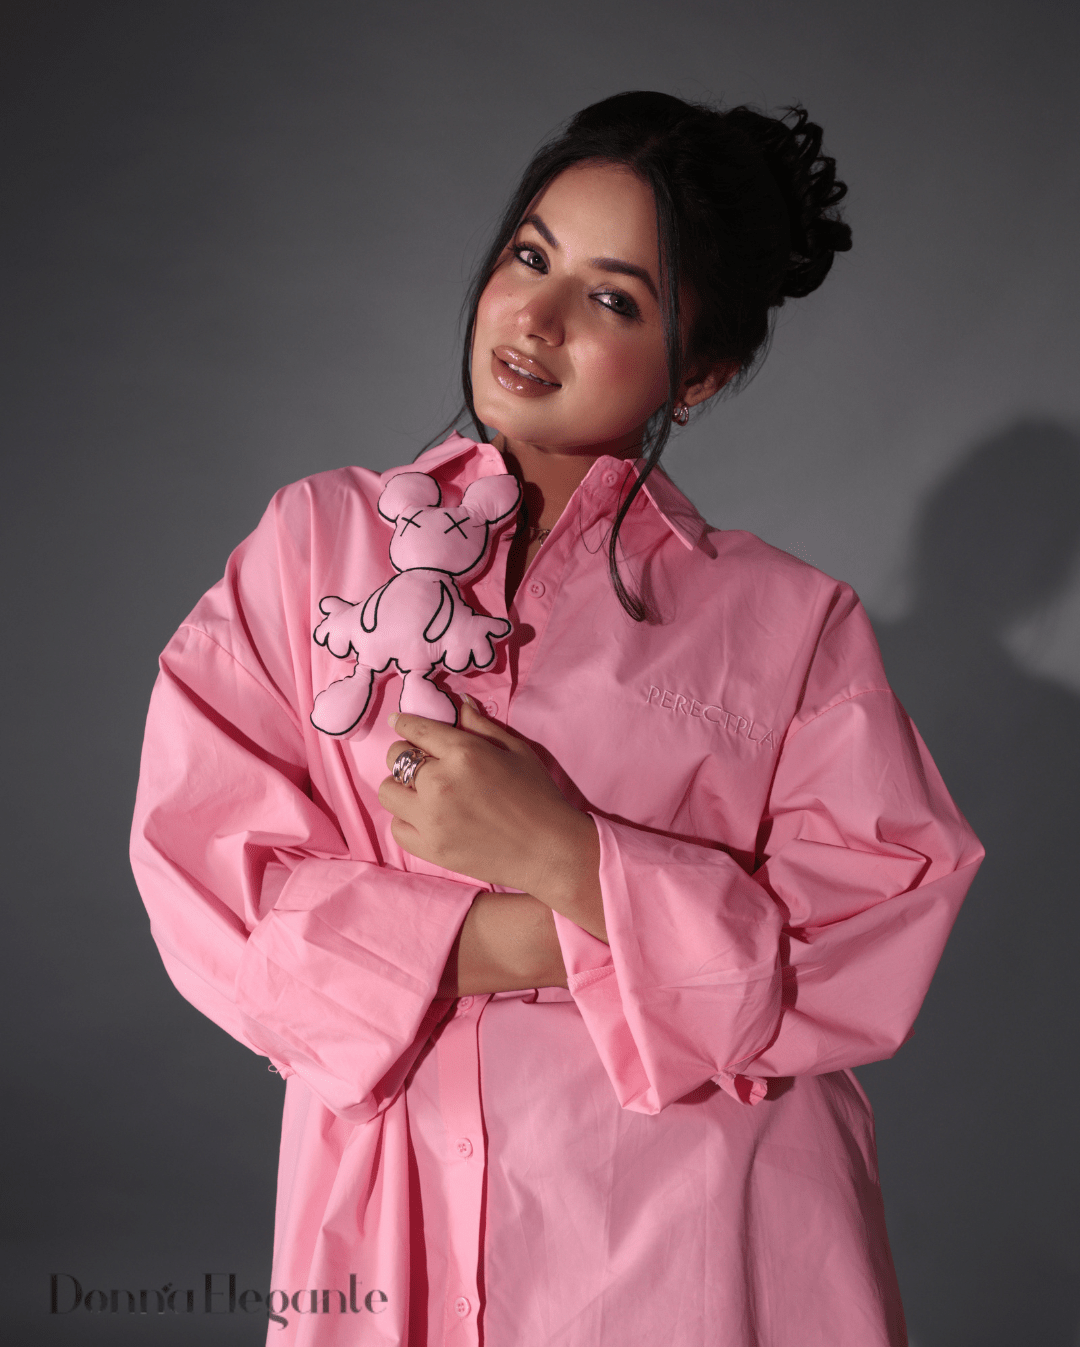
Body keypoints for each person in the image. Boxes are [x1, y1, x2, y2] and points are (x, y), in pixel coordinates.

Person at [130, 91, 983, 1347]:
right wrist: (587, 929)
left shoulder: (792, 628)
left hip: (696, 1249)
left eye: (615, 298)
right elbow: (215, 897)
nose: (536, 318)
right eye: (531, 256)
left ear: (703, 371)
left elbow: (863, 939)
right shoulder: (313, 548)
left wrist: (569, 855)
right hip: (388, 1238)